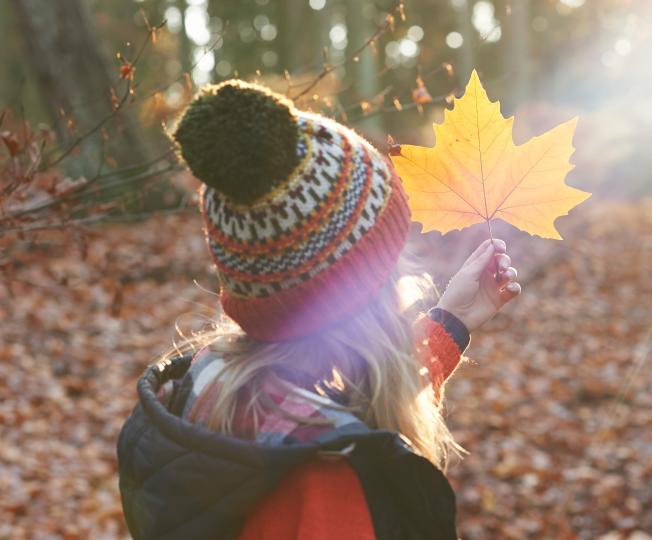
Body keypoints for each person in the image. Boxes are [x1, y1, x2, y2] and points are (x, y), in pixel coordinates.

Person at [116, 80, 521, 540]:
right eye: (392, 252)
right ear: (359, 292)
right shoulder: (325, 488)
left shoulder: (213, 388)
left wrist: (451, 323)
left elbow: (339, 408)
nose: (405, 267)